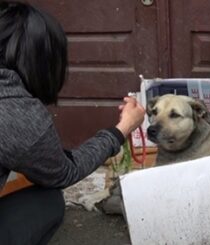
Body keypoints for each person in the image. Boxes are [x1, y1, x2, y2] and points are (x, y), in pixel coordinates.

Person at [0, 1, 145, 244]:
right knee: (47, 202)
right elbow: (64, 172)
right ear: (40, 61)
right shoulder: (18, 113)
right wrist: (122, 129)